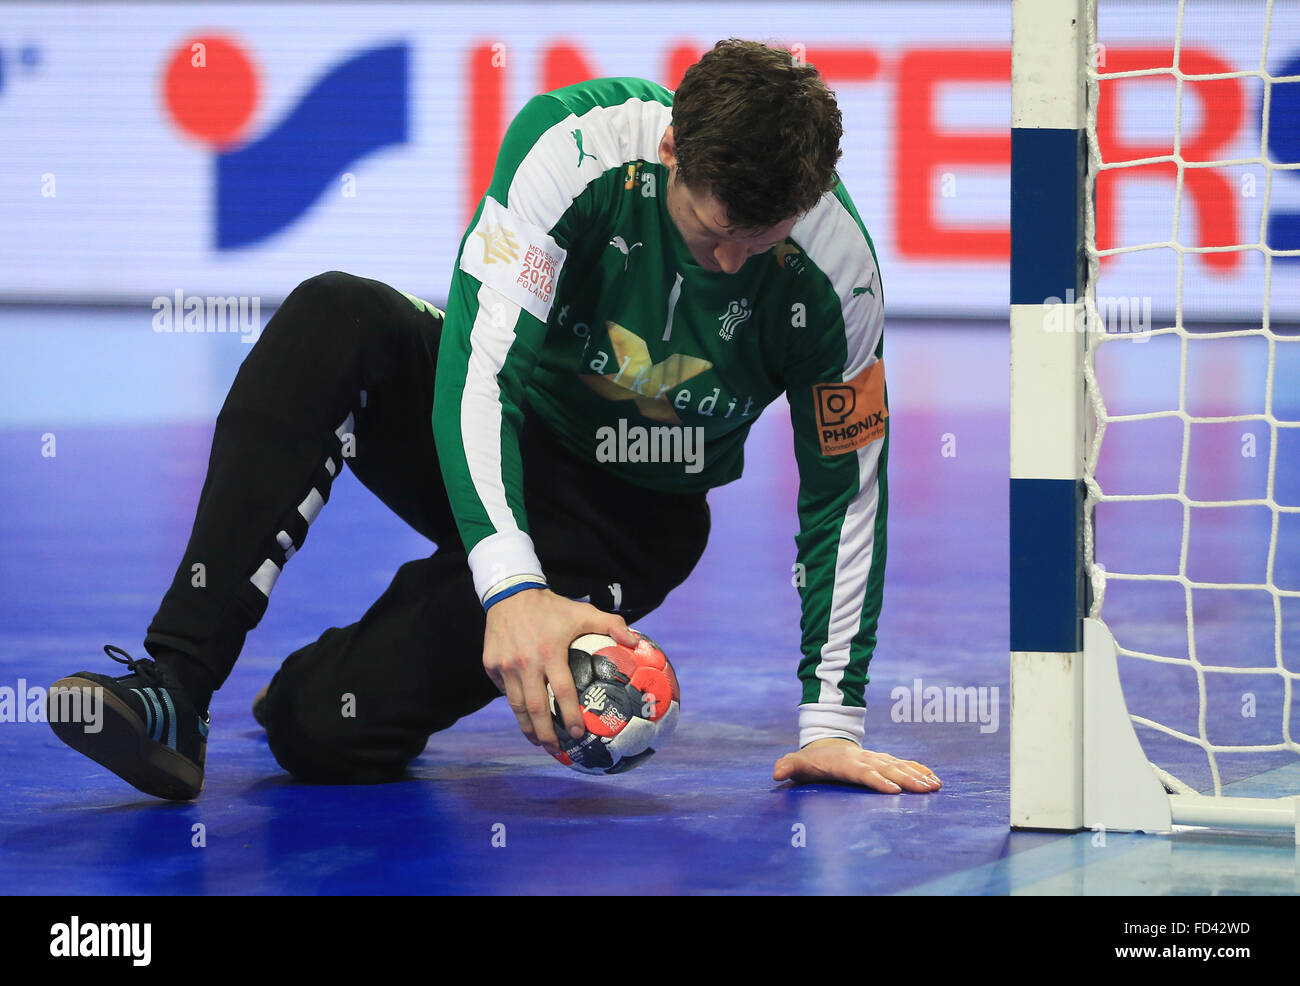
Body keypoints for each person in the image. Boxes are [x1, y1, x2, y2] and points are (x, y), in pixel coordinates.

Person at [48, 39, 940, 800]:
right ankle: (177, 682)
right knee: (337, 315)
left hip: (625, 524)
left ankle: (342, 676)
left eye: (765, 237)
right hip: (504, 428)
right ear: (673, 148)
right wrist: (512, 592)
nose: (735, 260)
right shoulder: (572, 150)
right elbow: (483, 375)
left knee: (316, 733)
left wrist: (832, 724)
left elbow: (846, 495)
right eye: (716, 234)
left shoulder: (838, 275)